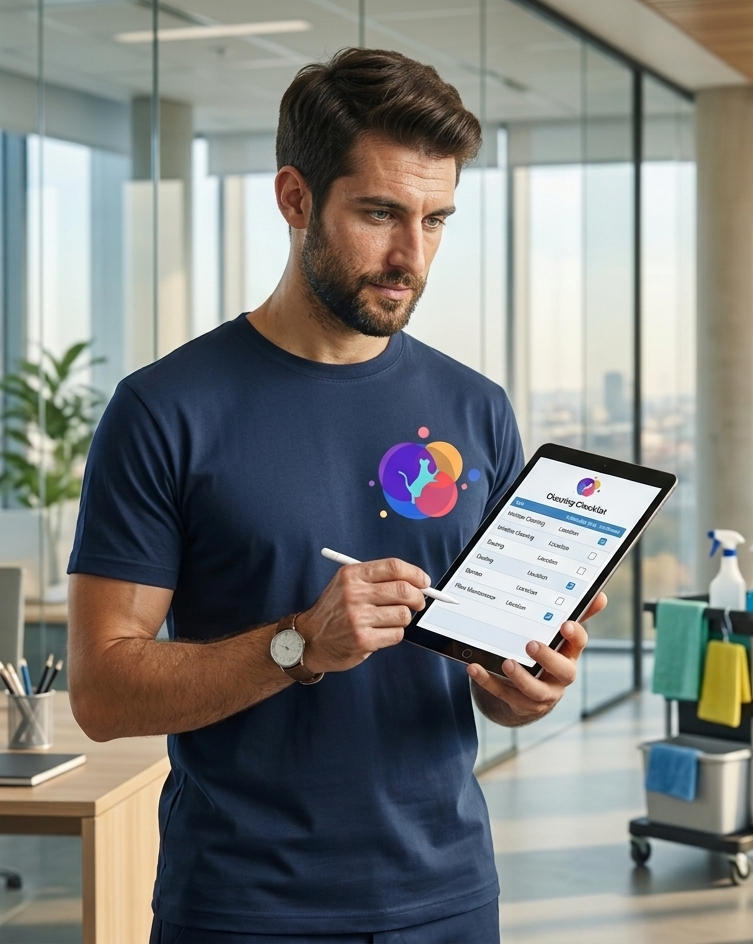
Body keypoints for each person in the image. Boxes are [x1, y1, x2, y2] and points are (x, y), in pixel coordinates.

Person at [67, 47, 602, 944]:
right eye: (381, 214)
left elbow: (493, 676)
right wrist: (297, 646)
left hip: (450, 896)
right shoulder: (164, 410)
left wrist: (524, 687)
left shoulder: (477, 409)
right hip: (241, 907)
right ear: (295, 198)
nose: (411, 256)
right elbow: (101, 690)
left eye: (437, 220)